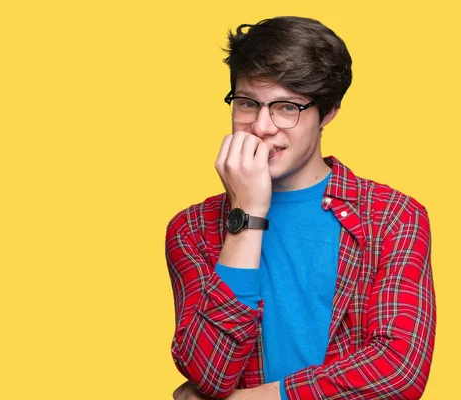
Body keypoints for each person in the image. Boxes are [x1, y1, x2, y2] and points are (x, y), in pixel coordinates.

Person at [165, 16, 436, 400]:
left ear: (327, 113)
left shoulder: (392, 216)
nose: (261, 126)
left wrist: (253, 399)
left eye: (286, 107)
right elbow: (210, 372)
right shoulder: (192, 228)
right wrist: (246, 214)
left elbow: (397, 371)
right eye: (247, 103)